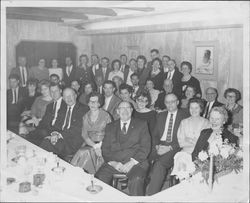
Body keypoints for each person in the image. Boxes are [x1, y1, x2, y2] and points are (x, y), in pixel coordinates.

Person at [95, 101, 151, 196]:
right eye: (122, 108)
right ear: (117, 111)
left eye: (127, 108)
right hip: (114, 162)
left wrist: (132, 162)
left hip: (136, 163)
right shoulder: (110, 127)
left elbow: (145, 147)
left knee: (136, 180)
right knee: (99, 178)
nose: (125, 110)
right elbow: (105, 149)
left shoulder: (141, 125)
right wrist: (113, 163)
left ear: (132, 110)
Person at [146, 93, 189, 195]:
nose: (170, 104)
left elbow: (185, 138)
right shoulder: (160, 115)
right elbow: (155, 134)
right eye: (167, 102)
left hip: (175, 146)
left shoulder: (185, 115)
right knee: (142, 157)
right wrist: (157, 146)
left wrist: (169, 147)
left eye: (172, 101)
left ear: (177, 102)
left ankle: (151, 196)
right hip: (160, 145)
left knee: (159, 165)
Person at [40, 88, 89, 159]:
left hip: (73, 141)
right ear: (63, 98)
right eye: (66, 97)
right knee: (46, 141)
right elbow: (57, 125)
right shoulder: (62, 108)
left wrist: (58, 135)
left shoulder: (83, 109)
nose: (68, 98)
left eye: (71, 95)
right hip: (61, 139)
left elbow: (77, 128)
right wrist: (54, 133)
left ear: (75, 96)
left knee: (46, 144)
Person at [71, 92, 111, 174]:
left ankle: (78, 175)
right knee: (83, 152)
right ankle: (76, 174)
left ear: (99, 103)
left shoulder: (106, 116)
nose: (92, 104)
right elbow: (84, 135)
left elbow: (110, 134)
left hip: (104, 144)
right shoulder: (85, 116)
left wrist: (99, 146)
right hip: (90, 144)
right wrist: (95, 146)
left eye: (95, 102)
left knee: (83, 152)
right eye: (90, 101)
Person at [171, 98, 210, 179]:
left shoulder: (207, 123)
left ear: (201, 109)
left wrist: (189, 140)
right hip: (186, 152)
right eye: (191, 108)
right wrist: (196, 142)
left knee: (199, 173)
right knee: (181, 162)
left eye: (196, 108)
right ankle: (184, 185)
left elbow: (206, 143)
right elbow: (181, 141)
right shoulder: (184, 122)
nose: (193, 110)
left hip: (200, 154)